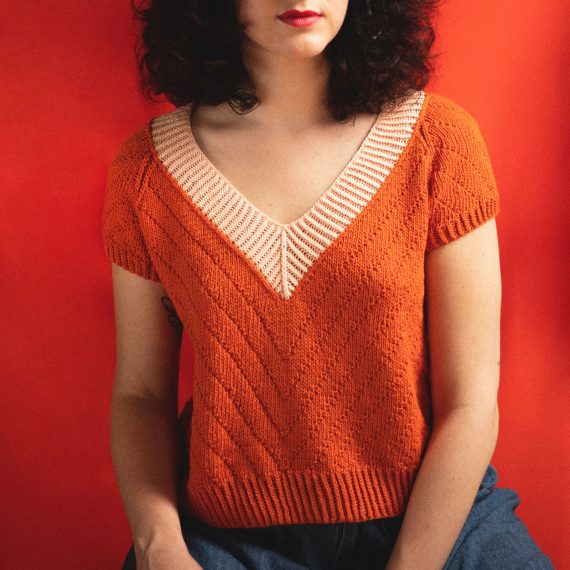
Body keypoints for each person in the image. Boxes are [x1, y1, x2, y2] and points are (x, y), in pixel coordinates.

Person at [102, 1, 555, 568]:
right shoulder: (146, 171)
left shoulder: (438, 143)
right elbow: (141, 394)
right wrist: (159, 543)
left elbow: (471, 401)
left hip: (438, 515)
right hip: (226, 538)